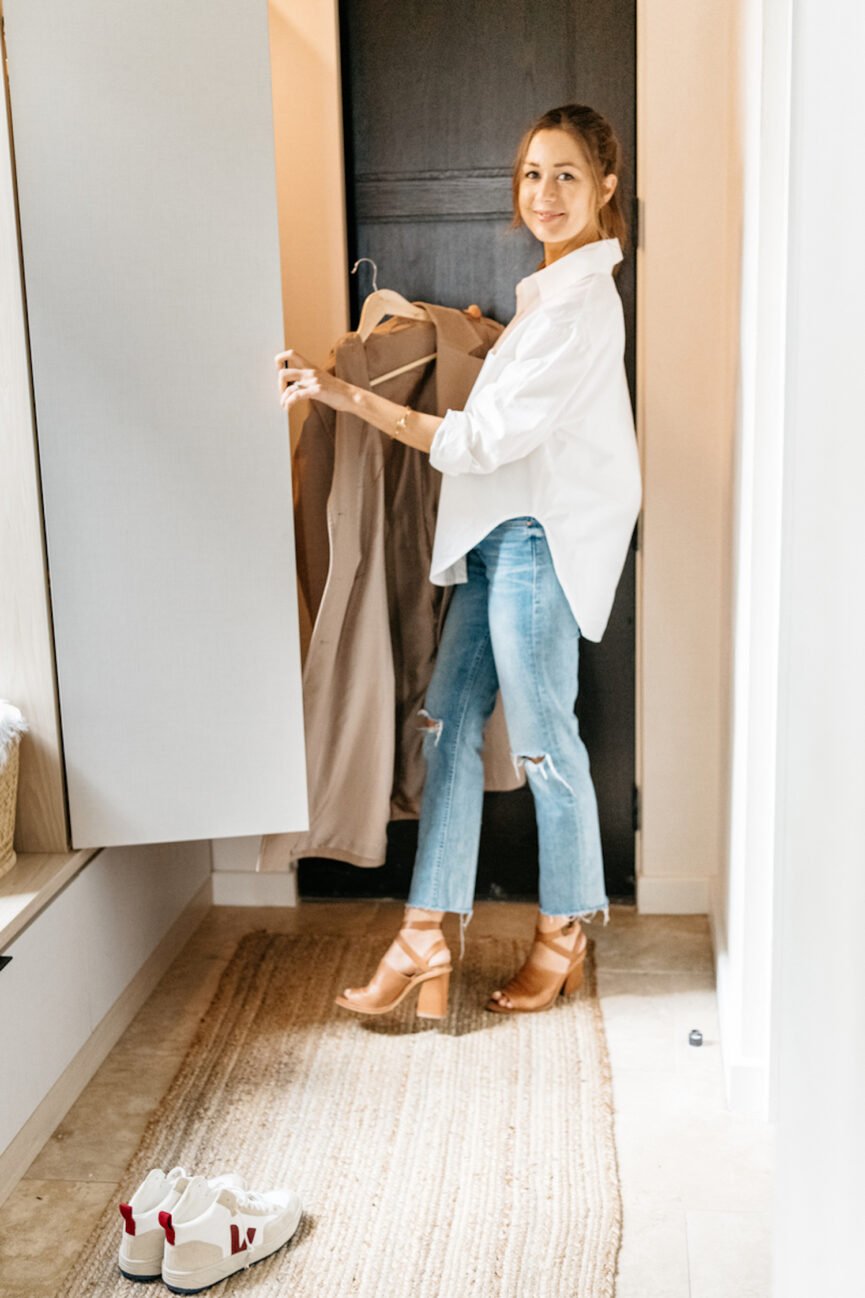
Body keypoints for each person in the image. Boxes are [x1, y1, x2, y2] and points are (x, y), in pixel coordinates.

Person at [275, 103, 642, 1020]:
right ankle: (424, 938)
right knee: (443, 729)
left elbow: (480, 442)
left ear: (604, 187)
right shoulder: (545, 299)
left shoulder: (581, 307)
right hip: (493, 542)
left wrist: (346, 395)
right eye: (530, 175)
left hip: (535, 545)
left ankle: (563, 938)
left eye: (565, 175)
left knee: (544, 745)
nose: (544, 193)